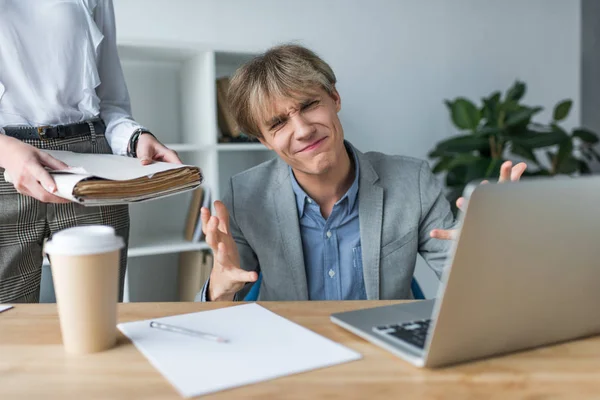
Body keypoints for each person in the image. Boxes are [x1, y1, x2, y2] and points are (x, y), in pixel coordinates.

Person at [197, 44, 526, 302]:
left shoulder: (412, 182)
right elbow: (221, 304)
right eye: (278, 123)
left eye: (309, 105)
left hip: (385, 354)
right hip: (292, 353)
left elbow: (472, 285)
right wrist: (220, 288)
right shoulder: (245, 196)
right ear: (264, 141)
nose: (302, 130)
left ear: (335, 98)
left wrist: (490, 246)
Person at [0, 0, 180, 303]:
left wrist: (134, 137)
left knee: (98, 318)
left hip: (90, 164)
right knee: (6, 330)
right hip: (5, 166)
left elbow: (110, 100)